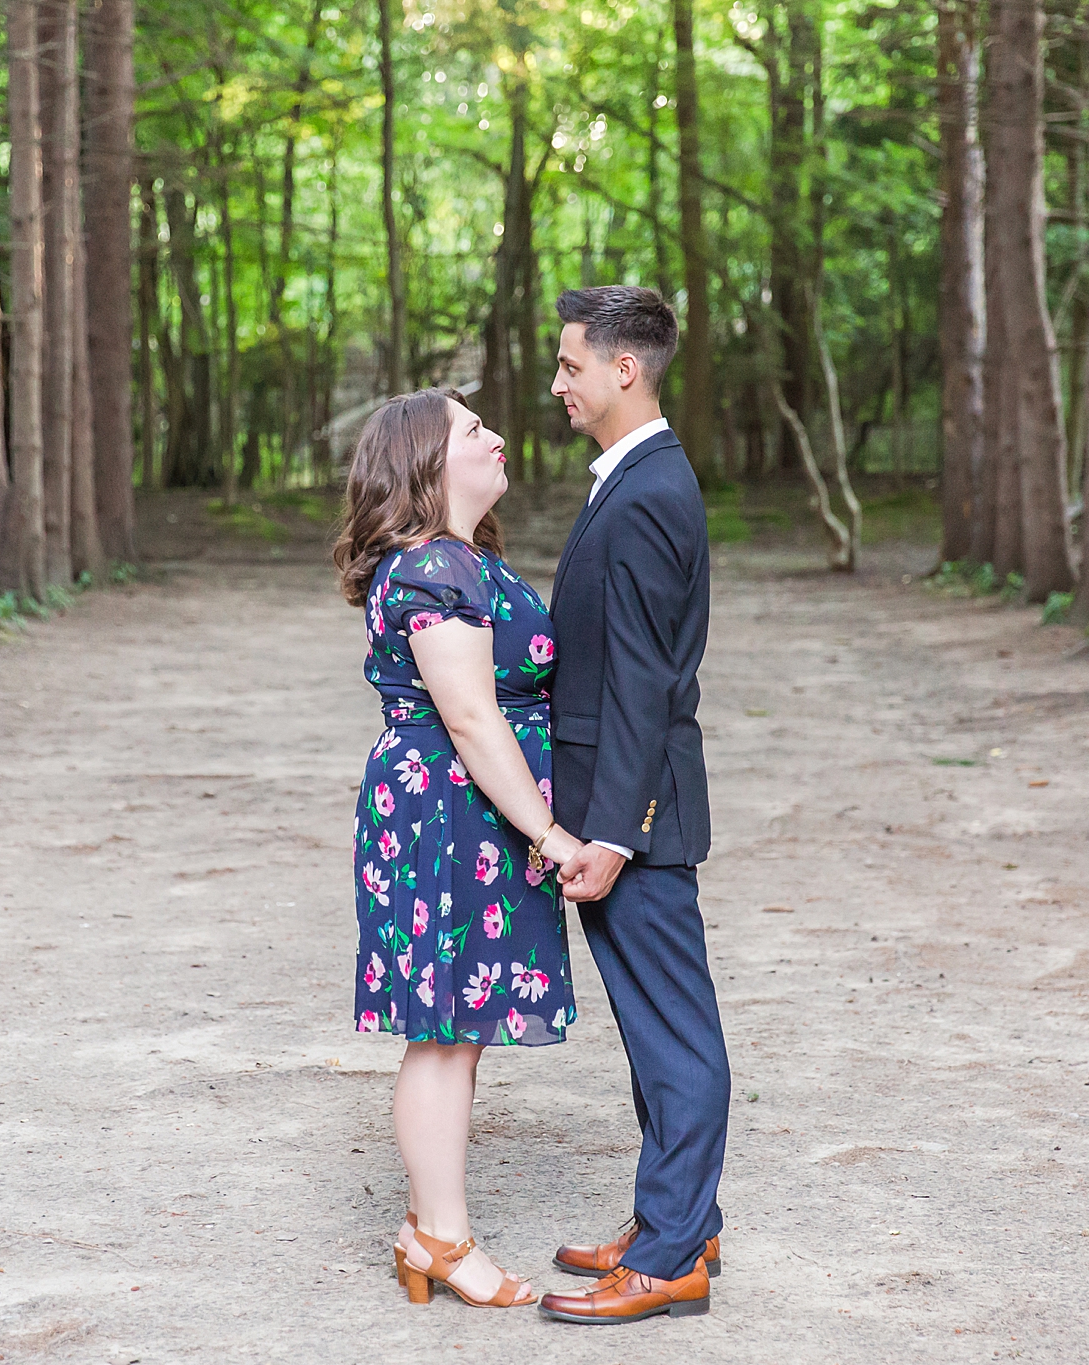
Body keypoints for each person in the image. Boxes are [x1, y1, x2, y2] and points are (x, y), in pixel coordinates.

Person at [333, 387, 586, 1310]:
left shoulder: (466, 559)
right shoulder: (434, 566)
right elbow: (474, 720)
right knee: (443, 1037)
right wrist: (551, 835)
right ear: (428, 463)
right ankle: (442, 1238)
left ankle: (423, 1229)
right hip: (448, 819)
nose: (498, 437)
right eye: (474, 430)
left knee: (454, 1036)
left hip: (464, 817)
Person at [535, 286, 731, 1326]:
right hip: (618, 810)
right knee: (653, 1032)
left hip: (635, 821)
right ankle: (675, 1217)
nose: (556, 383)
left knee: (674, 1036)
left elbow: (646, 684)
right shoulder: (633, 479)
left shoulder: (651, 490)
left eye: (569, 364)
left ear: (623, 370)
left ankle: (669, 1259)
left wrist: (612, 833)